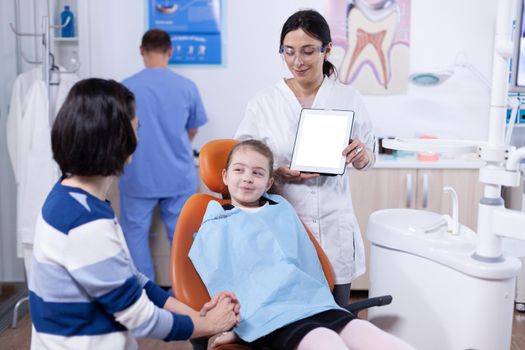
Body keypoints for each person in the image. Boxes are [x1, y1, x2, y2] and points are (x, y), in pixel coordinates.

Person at [29, 78, 239, 349]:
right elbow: (141, 319)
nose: (138, 136)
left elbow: (131, 278)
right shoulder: (84, 222)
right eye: (136, 128)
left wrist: (194, 314)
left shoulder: (72, 197)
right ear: (118, 139)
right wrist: (210, 325)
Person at [189, 140, 413, 350]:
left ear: (268, 182)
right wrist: (237, 327)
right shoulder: (216, 223)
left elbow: (306, 263)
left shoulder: (281, 209)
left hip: (311, 302)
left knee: (366, 332)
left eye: (257, 173)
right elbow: (225, 279)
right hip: (267, 315)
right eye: (239, 170)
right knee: (326, 341)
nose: (247, 178)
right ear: (225, 176)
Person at [235, 9, 375, 306]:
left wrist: (362, 156)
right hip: (283, 223)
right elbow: (242, 158)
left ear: (327, 50)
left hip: (334, 223)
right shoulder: (264, 103)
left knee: (337, 316)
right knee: (289, 319)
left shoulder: (349, 98)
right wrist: (276, 173)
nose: (297, 61)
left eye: (308, 51)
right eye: (289, 52)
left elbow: (368, 155)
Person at [120, 29, 208, 280]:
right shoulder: (186, 87)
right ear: (170, 51)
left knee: (135, 236)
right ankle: (188, 294)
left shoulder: (125, 88)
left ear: (141, 51)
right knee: (183, 237)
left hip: (137, 174)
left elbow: (118, 130)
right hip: (177, 174)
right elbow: (192, 129)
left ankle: (145, 298)